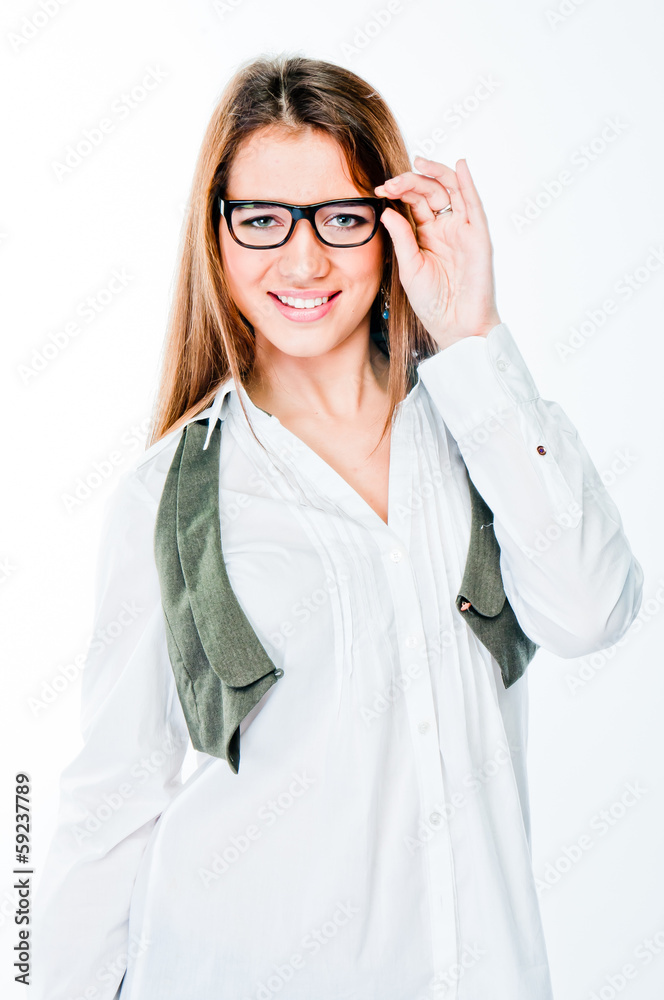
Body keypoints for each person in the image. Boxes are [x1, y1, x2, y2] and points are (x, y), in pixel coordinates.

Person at [33, 54, 643, 1000]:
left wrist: (473, 337)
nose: (303, 260)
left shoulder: (480, 427)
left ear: (391, 226)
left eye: (341, 218)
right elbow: (109, 806)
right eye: (262, 219)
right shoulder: (170, 497)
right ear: (217, 234)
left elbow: (593, 612)